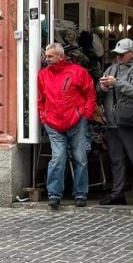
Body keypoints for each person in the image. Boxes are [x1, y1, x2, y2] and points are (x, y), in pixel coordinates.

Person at [38, 43, 97, 208]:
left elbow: (90, 94)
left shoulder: (78, 72)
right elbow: (41, 99)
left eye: (50, 56)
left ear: (60, 56)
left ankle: (80, 194)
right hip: (53, 122)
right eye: (46, 56)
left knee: (80, 158)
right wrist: (43, 116)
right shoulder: (43, 75)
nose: (46, 59)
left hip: (76, 122)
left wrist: (85, 114)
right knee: (58, 158)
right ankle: (54, 194)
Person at [97, 38, 133, 206]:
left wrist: (116, 83)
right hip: (112, 122)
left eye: (122, 54)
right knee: (116, 159)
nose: (118, 57)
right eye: (116, 54)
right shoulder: (111, 68)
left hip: (128, 121)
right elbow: (98, 89)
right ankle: (117, 193)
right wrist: (102, 87)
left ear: (131, 53)